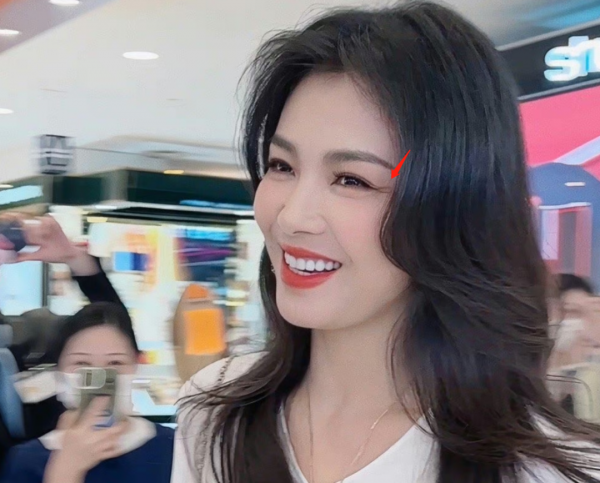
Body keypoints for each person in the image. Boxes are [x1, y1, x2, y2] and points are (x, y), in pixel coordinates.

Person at [170, 2, 600, 483]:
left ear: (452, 205)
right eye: (281, 166)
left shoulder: (546, 470)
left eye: (351, 180)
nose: (292, 217)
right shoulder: (214, 413)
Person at [0, 302, 174, 483]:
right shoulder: (25, 461)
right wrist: (65, 470)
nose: (100, 378)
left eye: (115, 363)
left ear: (136, 366)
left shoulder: (174, 447)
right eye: (81, 364)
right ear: (59, 372)